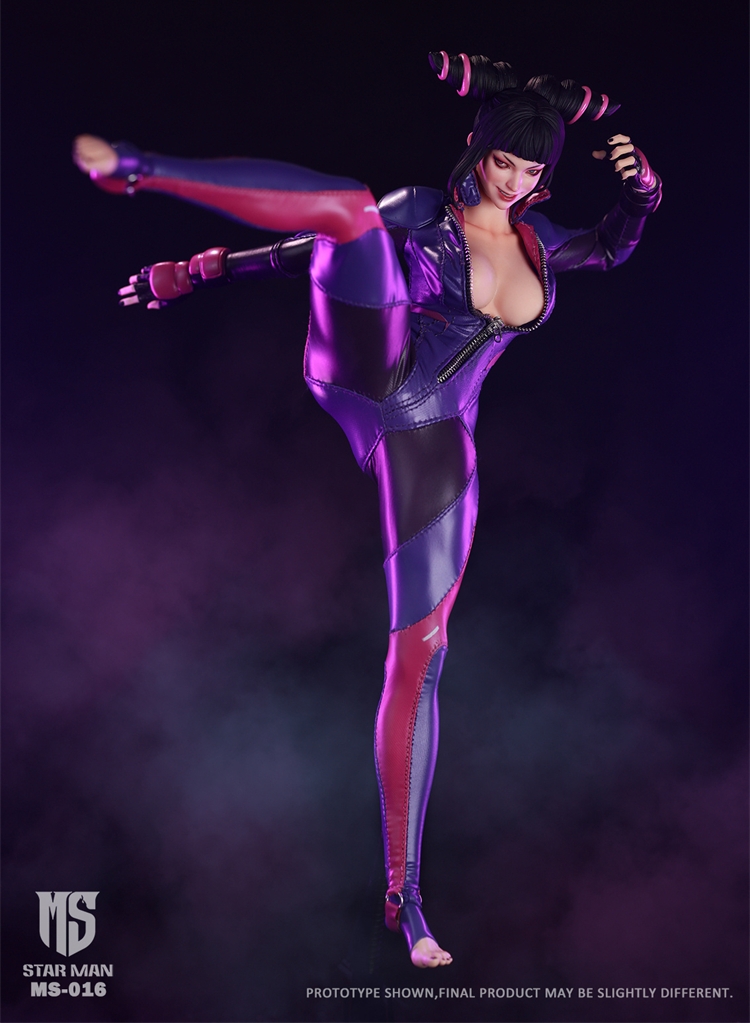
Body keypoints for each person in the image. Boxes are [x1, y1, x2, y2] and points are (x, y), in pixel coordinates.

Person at [73, 51, 661, 968]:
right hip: (370, 364)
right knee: (348, 209)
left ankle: (406, 898)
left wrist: (643, 196)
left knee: (423, 653)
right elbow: (311, 248)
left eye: (530, 171)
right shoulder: (422, 213)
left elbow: (614, 246)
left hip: (436, 432)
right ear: (477, 149)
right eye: (503, 162)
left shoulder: (543, 243)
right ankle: (140, 167)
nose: (513, 181)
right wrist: (197, 269)